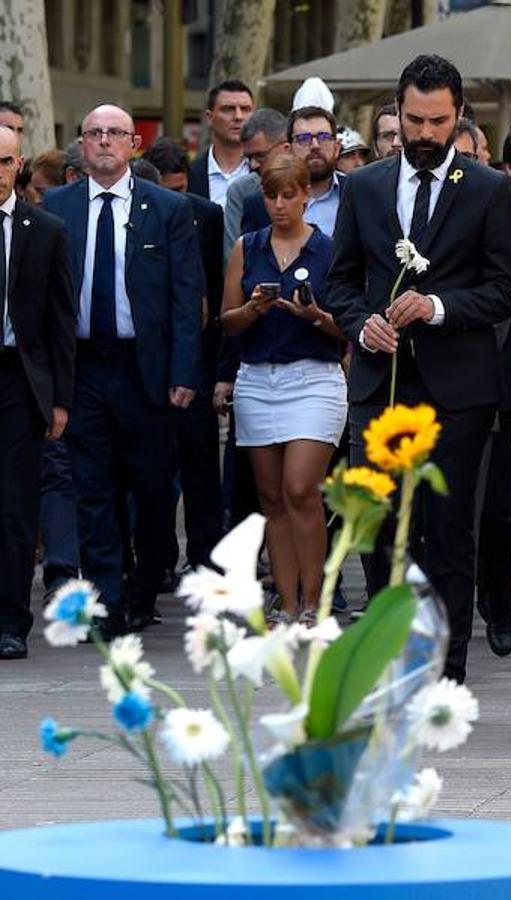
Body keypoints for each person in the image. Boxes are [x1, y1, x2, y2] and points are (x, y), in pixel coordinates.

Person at [326, 54, 511, 684]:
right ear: (397, 113)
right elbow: (339, 283)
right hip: (379, 386)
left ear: (458, 116)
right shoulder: (363, 187)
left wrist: (437, 306)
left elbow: (505, 291)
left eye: (438, 121)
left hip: (459, 388)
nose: (425, 134)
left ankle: (445, 669)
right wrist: (363, 322)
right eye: (414, 120)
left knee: (448, 530)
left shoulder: (492, 191)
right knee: (379, 528)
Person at [42, 104, 203, 637]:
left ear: (134, 143)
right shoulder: (57, 207)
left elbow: (186, 297)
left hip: (146, 369)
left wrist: (184, 372)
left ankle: (144, 585)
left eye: (115, 133)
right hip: (84, 366)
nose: (105, 142)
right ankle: (108, 602)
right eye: (95, 134)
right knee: (93, 489)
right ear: (82, 146)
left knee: (155, 487)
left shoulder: (167, 210)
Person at [220, 154, 344, 624]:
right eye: (270, 196)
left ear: (306, 196)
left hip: (314, 378)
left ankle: (315, 601)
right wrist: (253, 309)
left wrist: (313, 316)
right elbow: (227, 324)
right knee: (271, 498)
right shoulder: (246, 247)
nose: (278, 205)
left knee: (301, 490)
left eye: (288, 195)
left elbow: (347, 327)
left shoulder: (329, 250)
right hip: (256, 378)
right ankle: (288, 604)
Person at [0, 125, 76, 660]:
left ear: (19, 165)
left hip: (17, 380)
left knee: (16, 505)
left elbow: (60, 323)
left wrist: (60, 400)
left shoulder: (44, 229)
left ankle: (10, 620)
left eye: (3, 162)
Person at [141, 138, 227, 576]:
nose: (175, 200)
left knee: (201, 466)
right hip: (147, 361)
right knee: (153, 472)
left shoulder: (208, 215)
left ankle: (205, 558)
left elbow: (216, 284)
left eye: (181, 190)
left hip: (197, 357)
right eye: (167, 191)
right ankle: (155, 564)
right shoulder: (136, 215)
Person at [241, 107, 345, 239]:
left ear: (337, 147)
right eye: (303, 139)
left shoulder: (357, 194)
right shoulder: (259, 204)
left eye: (323, 137)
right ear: (288, 149)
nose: (315, 145)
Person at [223, 108, 288, 251]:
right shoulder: (242, 191)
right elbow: (233, 255)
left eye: (260, 155)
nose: (253, 165)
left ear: (286, 148)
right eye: (249, 157)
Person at [187, 80, 256, 206]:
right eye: (228, 109)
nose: (238, 116)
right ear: (209, 117)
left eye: (245, 109)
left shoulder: (265, 172)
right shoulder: (189, 175)